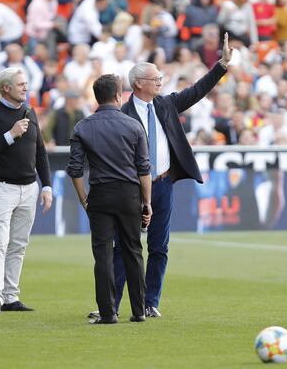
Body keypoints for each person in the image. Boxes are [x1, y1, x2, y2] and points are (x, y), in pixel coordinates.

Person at [89, 33, 233, 320]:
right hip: (131, 188)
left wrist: (221, 65)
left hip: (164, 184)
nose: (161, 81)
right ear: (139, 83)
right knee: (124, 247)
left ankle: (149, 302)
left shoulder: (166, 104)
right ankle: (112, 305)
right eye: (156, 78)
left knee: (159, 247)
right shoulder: (122, 113)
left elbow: (196, 90)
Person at [66, 74, 152, 324]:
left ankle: (108, 313)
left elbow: (75, 169)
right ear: (118, 95)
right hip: (129, 195)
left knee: (102, 255)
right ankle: (138, 311)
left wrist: (84, 199)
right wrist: (147, 202)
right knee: (133, 251)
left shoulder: (83, 126)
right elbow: (143, 169)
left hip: (100, 195)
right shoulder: (134, 125)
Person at [0, 67, 53, 314]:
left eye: (26, 83)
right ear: (6, 88)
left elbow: (40, 151)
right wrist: (11, 135)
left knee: (18, 244)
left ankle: (10, 296)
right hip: (1, 187)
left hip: (29, 189)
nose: (26, 88)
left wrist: (47, 185)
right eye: (21, 84)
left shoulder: (30, 112)